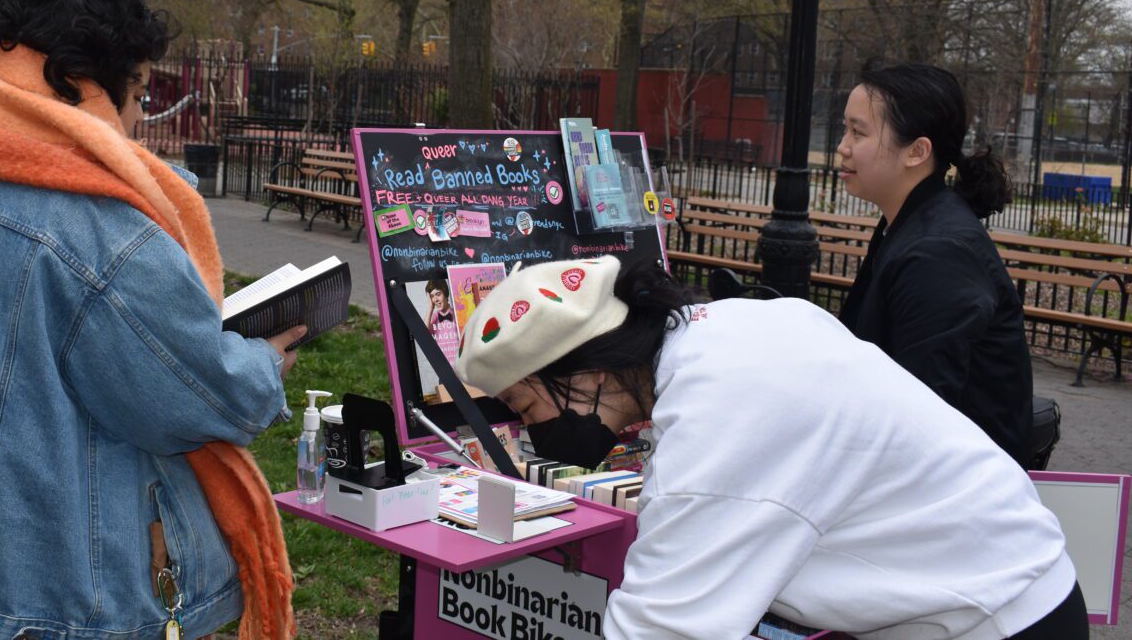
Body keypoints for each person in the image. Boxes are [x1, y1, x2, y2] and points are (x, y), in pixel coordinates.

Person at [0, 0, 300, 640]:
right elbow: (196, 396)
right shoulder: (101, 229)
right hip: (68, 582)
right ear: (85, 85)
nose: (137, 122)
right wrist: (264, 363)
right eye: (138, 95)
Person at [456, 255, 1086, 640]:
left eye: (526, 407)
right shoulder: (725, 331)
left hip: (994, 619)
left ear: (586, 374)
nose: (533, 429)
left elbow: (662, 626)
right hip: (992, 591)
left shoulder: (720, 411)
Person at [835, 63, 1033, 467]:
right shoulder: (909, 223)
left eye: (859, 132)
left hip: (960, 484)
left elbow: (922, 411)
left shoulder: (938, 252)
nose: (843, 146)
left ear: (917, 151)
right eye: (845, 129)